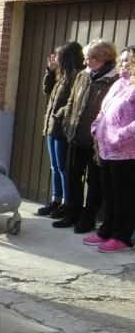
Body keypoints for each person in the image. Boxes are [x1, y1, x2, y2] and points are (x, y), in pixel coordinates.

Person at [53, 39, 120, 233]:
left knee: (94, 181)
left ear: (104, 58)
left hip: (97, 141)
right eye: (86, 57)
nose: (87, 61)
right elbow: (73, 100)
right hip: (76, 136)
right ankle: (72, 213)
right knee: (72, 176)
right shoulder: (83, 75)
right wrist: (66, 121)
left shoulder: (114, 80)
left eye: (91, 58)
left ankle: (88, 218)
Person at [86, 45, 135, 252]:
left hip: (127, 152)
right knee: (110, 194)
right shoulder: (118, 84)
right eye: (122, 60)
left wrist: (118, 135)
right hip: (106, 150)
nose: (123, 64)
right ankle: (106, 230)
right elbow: (103, 110)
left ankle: (122, 237)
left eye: (128, 61)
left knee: (125, 196)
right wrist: (96, 127)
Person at [38, 42, 84, 219]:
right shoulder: (61, 75)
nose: (55, 58)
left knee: (62, 167)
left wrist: (59, 114)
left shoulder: (77, 76)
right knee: (54, 167)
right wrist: (49, 71)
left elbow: (73, 104)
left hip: (63, 129)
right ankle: (56, 200)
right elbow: (46, 90)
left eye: (58, 55)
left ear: (67, 57)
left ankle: (66, 202)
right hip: (51, 126)